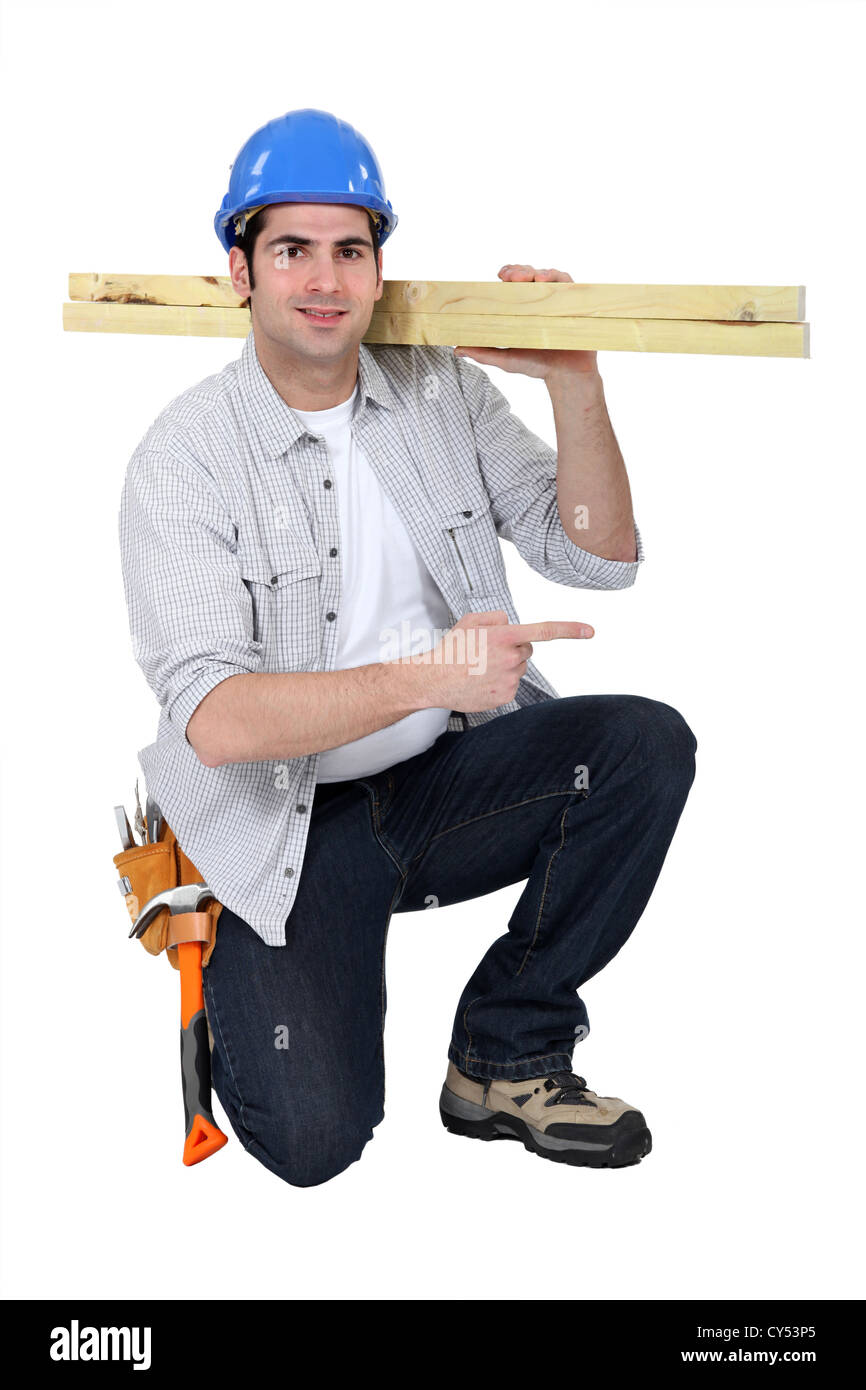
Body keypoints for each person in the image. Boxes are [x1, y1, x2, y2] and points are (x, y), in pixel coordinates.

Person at [119, 107, 697, 1187]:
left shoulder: (442, 394)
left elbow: (597, 553)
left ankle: (505, 1054)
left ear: (380, 268)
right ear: (238, 271)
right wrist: (429, 674)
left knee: (639, 747)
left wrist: (573, 376)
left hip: (441, 784)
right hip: (283, 825)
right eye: (291, 249)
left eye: (351, 249)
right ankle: (248, 953)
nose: (325, 279)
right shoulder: (183, 458)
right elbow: (218, 720)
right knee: (311, 1141)